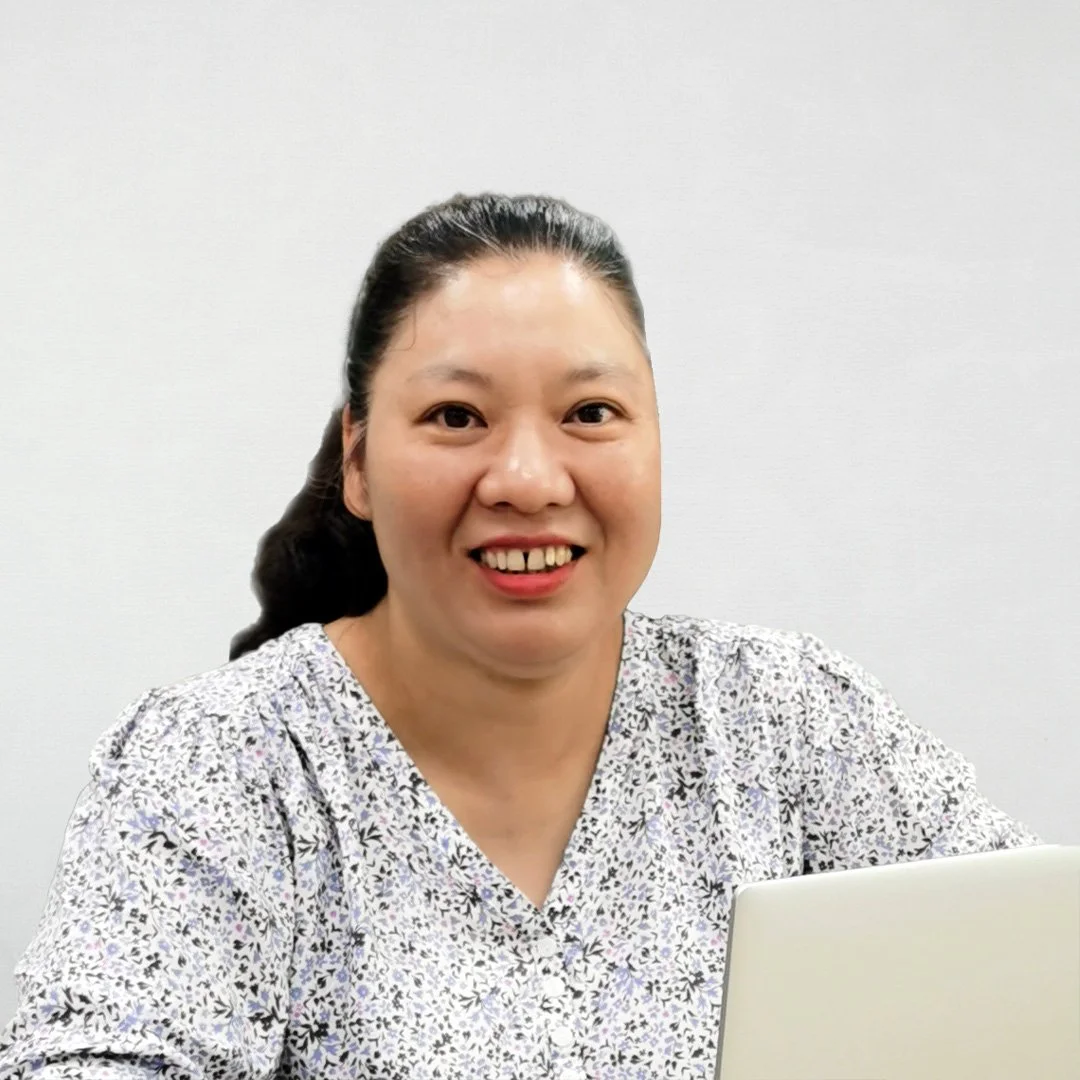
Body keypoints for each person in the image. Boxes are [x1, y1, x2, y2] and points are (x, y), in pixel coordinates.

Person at [0, 192, 1040, 1080]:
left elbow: (1032, 977)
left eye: (591, 413)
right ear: (358, 461)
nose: (531, 482)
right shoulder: (227, 764)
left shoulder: (786, 721)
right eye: (457, 418)